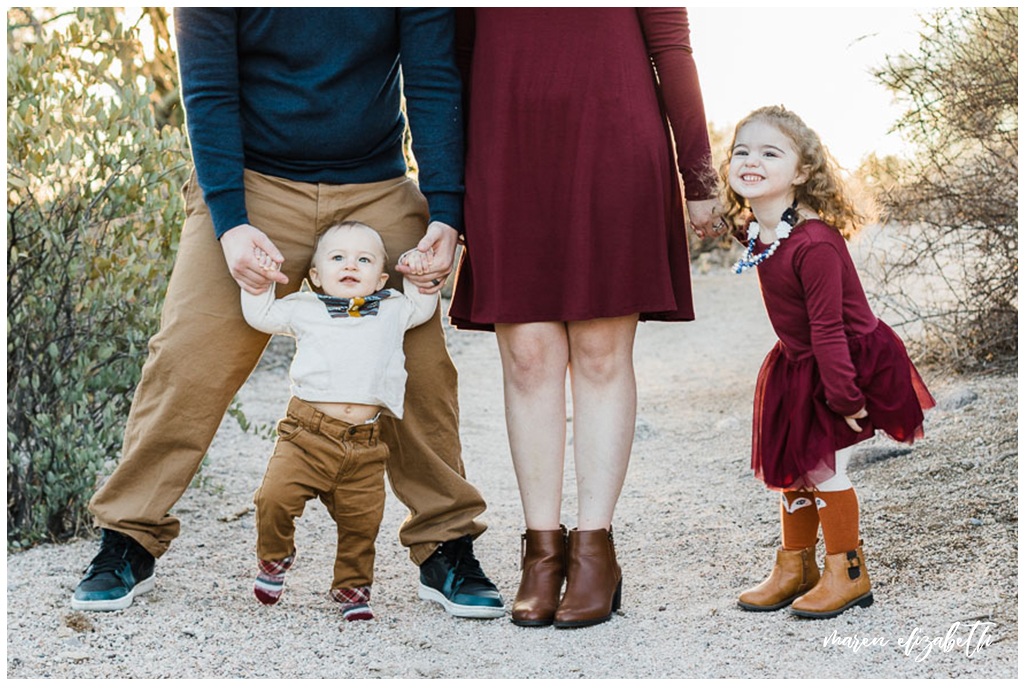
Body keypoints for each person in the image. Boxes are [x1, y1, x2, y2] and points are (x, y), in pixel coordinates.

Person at [72, 8, 504, 619]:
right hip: (251, 187)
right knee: (188, 356)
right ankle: (129, 536)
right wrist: (229, 223)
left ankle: (445, 544)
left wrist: (444, 212)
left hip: (374, 186)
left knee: (422, 365)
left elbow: (431, 76)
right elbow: (208, 88)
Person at [446, 8, 723, 628]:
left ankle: (596, 552)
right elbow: (454, 58)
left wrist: (699, 173)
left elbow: (672, 47)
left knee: (600, 355)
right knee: (527, 358)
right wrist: (446, 190)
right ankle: (541, 554)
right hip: (506, 150)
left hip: (613, 141)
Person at [724, 106, 935, 618]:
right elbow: (743, 235)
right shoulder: (760, 228)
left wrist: (844, 399)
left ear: (801, 173)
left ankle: (848, 572)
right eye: (741, 151)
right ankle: (795, 567)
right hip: (802, 361)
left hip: (842, 363)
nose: (752, 159)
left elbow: (829, 330)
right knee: (794, 468)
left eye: (770, 153)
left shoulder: (814, 243)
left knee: (825, 470)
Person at [243, 222, 435, 621]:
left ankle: (352, 586)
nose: (351, 265)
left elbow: (424, 307)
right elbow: (261, 315)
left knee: (362, 522)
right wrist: (258, 283)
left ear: (382, 278)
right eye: (337, 258)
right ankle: (275, 558)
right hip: (305, 435)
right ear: (315, 275)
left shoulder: (393, 308)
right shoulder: (304, 306)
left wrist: (416, 274)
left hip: (365, 443)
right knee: (273, 499)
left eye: (363, 260)